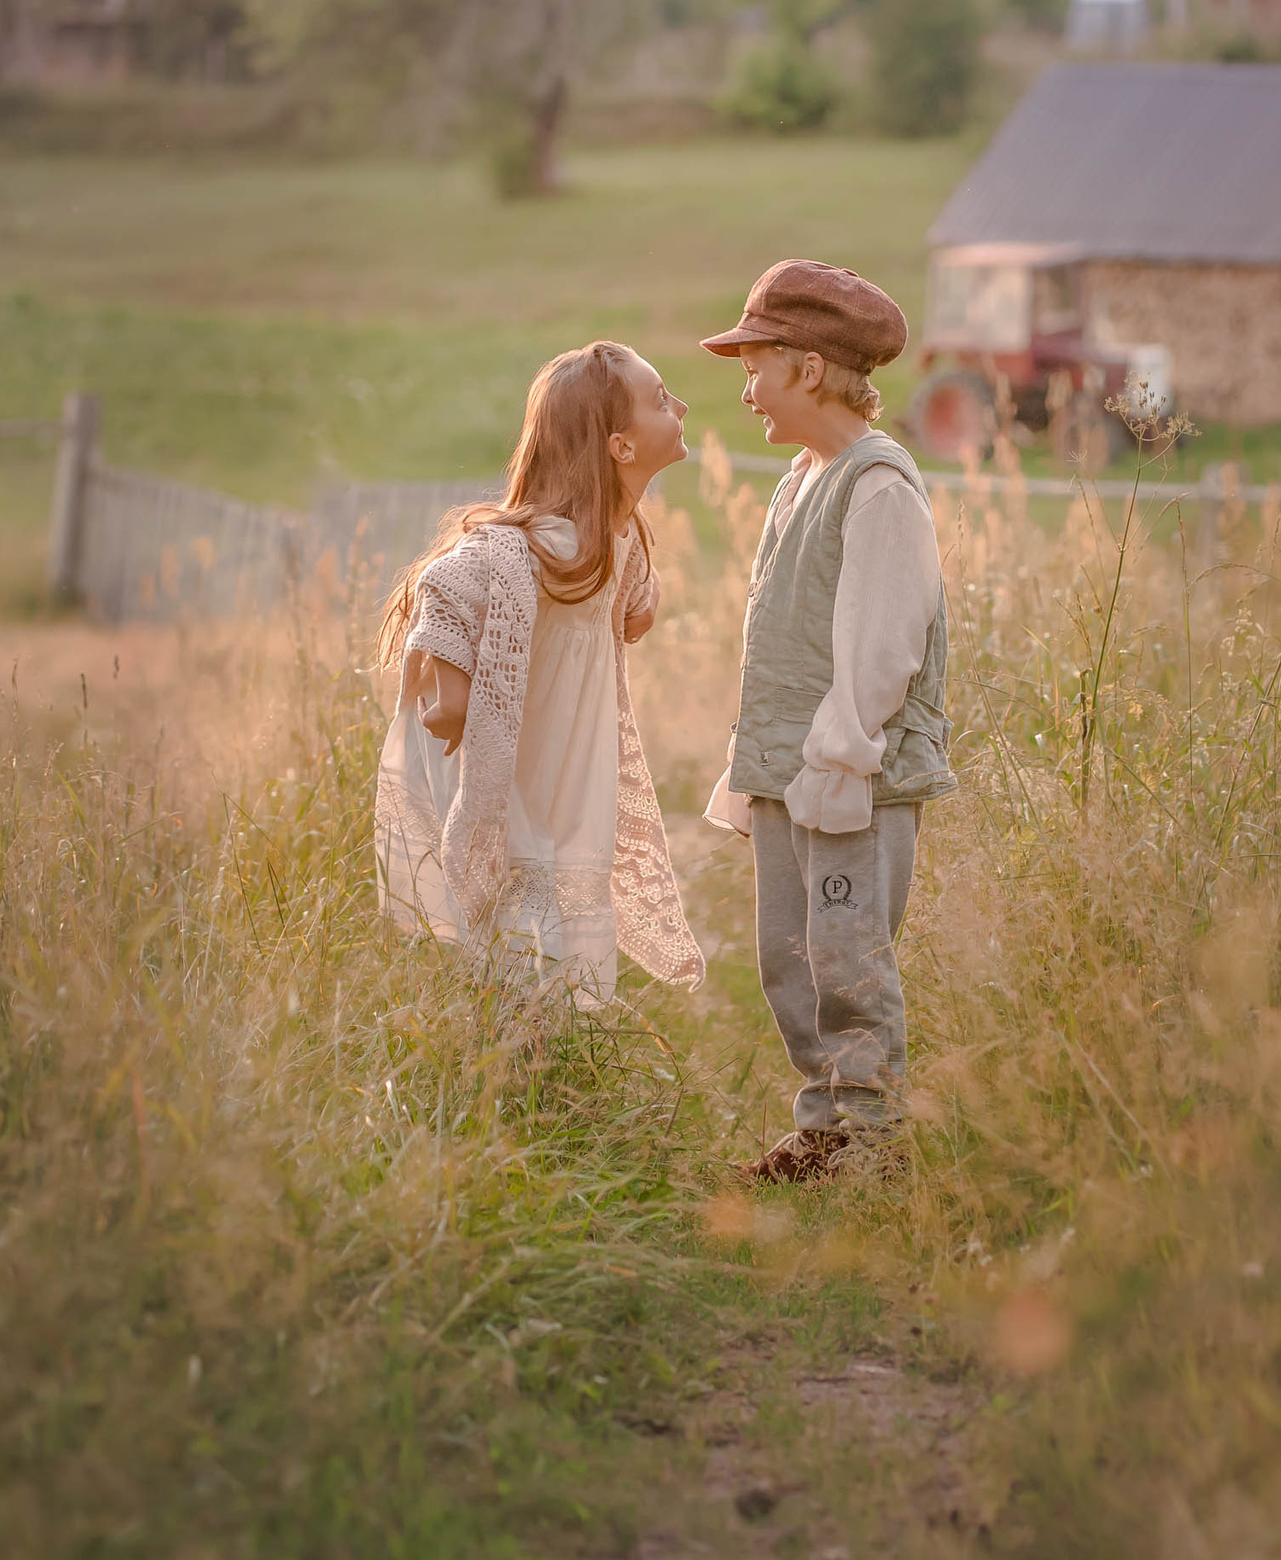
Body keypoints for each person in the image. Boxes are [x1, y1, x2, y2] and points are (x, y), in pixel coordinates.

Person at [702, 260, 954, 1184]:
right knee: (790, 960)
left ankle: (874, 1140)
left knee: (846, 958)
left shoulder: (878, 484)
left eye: (757, 362)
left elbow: (883, 642)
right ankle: (825, 1127)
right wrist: (759, 763)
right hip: (787, 769)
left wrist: (839, 758)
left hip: (847, 772)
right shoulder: (801, 479)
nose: (747, 387)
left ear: (809, 369)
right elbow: (782, 630)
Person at [374, 342, 705, 1004]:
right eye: (661, 400)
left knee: (566, 981)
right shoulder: (534, 547)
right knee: (524, 975)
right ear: (620, 446)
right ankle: (512, 1092)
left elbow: (633, 599)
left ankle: (546, 1094)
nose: (682, 407)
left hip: (575, 799)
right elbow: (447, 578)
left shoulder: (616, 545)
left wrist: (647, 589)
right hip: (526, 797)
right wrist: (448, 678)